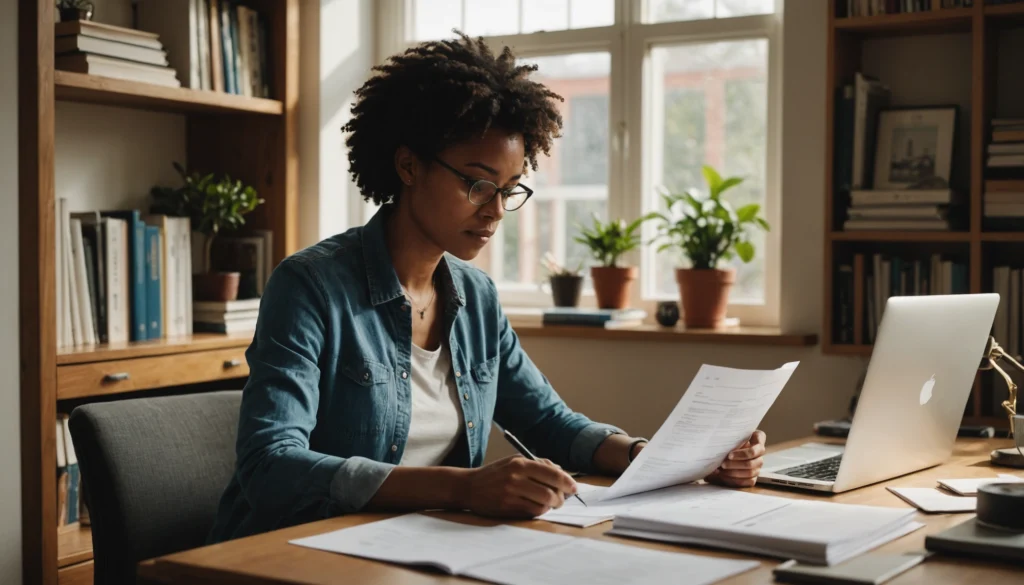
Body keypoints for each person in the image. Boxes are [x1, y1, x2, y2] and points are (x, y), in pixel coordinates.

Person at [208, 32, 766, 543]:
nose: (496, 210)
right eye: (477, 184)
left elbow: (548, 422)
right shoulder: (310, 287)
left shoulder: (475, 298)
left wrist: (660, 459)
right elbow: (271, 465)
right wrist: (462, 488)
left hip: (420, 547)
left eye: (509, 189)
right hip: (297, 550)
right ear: (407, 166)